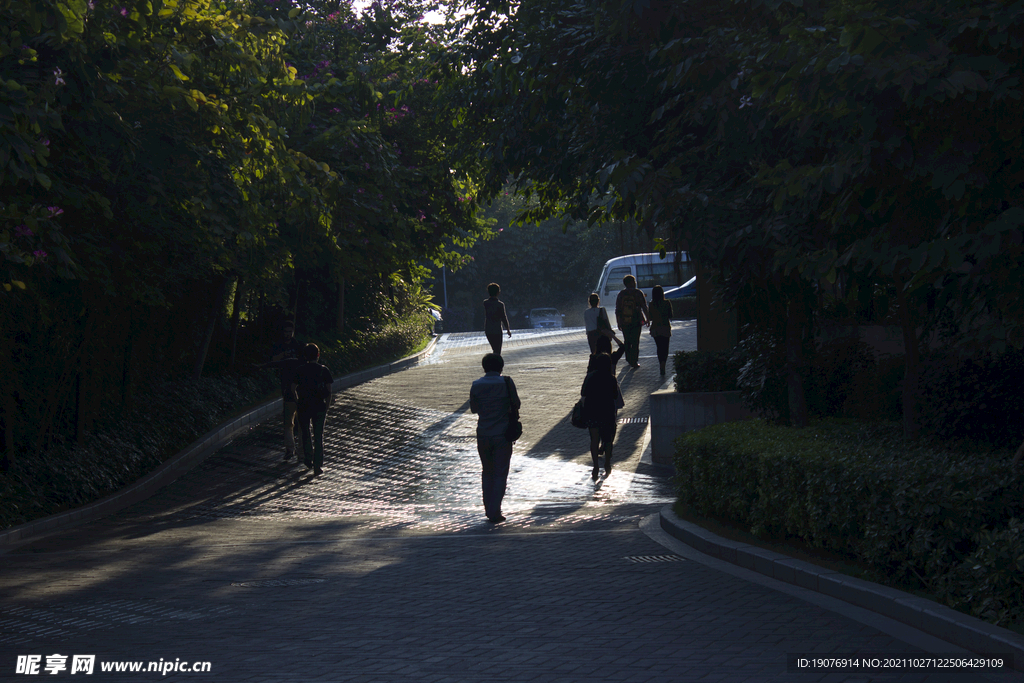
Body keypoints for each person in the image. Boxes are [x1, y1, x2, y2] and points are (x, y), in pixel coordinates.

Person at [469, 353, 521, 523]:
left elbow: (474, 409)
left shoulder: (476, 384)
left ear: (484, 367)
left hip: (483, 432)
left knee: (487, 471)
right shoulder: (506, 382)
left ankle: (488, 507)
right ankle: (495, 510)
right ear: (501, 366)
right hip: (503, 433)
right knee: (500, 473)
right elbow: (517, 404)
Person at [259, 320, 304, 460]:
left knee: (300, 418)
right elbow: (273, 360)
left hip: (299, 384)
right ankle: (290, 449)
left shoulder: (298, 345)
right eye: (286, 332)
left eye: (290, 332)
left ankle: (301, 449)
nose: (288, 335)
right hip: (286, 383)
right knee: (288, 417)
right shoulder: (278, 346)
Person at [292, 343, 334, 476]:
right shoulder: (323, 370)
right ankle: (317, 464)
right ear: (318, 355)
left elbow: (292, 388)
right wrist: (326, 406)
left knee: (305, 433)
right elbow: (329, 391)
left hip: (303, 405)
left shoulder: (300, 370)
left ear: (305, 356)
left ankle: (308, 458)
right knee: (318, 435)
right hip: (319, 406)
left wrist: (297, 400)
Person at [581, 353, 620, 479]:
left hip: (593, 412)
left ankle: (595, 466)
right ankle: (607, 463)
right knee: (608, 440)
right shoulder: (611, 378)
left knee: (594, 440)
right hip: (607, 413)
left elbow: (583, 393)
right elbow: (615, 395)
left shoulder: (590, 376)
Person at [615, 275, 649, 369]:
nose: (635, 282)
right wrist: (648, 318)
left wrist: (618, 322)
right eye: (634, 281)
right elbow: (644, 307)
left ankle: (628, 359)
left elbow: (617, 309)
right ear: (631, 283)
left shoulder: (621, 294)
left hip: (625, 321)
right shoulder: (638, 293)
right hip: (636, 321)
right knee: (635, 341)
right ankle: (634, 361)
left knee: (627, 340)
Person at [648, 285, 674, 375]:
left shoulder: (651, 304)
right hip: (665, 327)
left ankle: (660, 364)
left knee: (659, 348)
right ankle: (663, 364)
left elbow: (650, 317)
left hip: (655, 328)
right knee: (665, 347)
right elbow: (671, 315)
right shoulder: (667, 303)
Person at [483, 283, 512, 355]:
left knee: (494, 348)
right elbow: (504, 317)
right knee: (497, 350)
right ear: (498, 292)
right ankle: (496, 364)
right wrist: (508, 329)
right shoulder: (500, 304)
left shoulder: (485, 303)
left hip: (488, 328)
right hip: (497, 329)